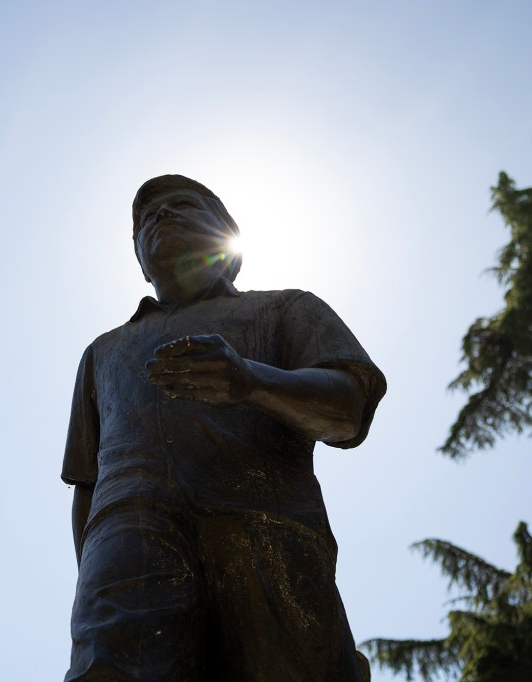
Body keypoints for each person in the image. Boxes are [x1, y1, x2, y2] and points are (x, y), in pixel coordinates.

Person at [62, 175, 386, 681]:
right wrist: (97, 572)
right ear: (141, 265)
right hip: (127, 539)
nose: (161, 217)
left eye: (182, 205)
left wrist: (252, 382)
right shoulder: (102, 353)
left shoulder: (286, 307)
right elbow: (86, 483)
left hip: (266, 523)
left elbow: (348, 410)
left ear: (228, 237)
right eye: (147, 219)